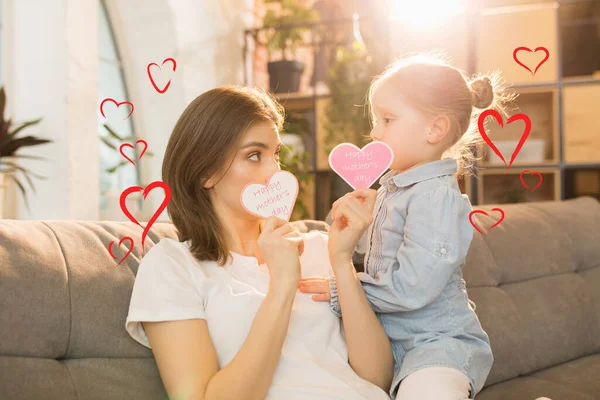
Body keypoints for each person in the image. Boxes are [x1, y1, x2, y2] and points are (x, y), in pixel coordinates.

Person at [125, 86, 394, 400]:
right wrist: (282, 285)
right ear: (206, 172)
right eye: (254, 156)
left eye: (275, 154)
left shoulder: (321, 247)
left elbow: (377, 379)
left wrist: (342, 261)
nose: (274, 171)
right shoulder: (172, 265)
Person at [299, 51, 517, 399]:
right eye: (376, 119)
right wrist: (344, 225)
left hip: (436, 347)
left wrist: (345, 291)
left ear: (435, 129)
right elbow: (368, 251)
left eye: (387, 119)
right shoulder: (392, 189)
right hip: (387, 348)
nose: (373, 131)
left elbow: (413, 286)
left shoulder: (435, 197)